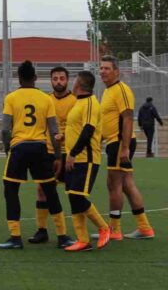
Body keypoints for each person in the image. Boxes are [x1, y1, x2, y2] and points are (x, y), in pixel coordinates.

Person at [0, 60, 71, 249]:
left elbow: (5, 130)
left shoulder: (11, 98)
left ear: (19, 78)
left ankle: (15, 237)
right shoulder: (46, 99)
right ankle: (62, 236)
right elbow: (54, 131)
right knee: (50, 190)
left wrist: (7, 148)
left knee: (11, 190)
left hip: (19, 148)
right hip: (40, 148)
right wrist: (57, 156)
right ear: (35, 78)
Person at [99, 55, 155, 239]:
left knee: (113, 184)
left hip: (119, 143)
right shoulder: (108, 91)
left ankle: (114, 230)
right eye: (101, 68)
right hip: (114, 142)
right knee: (127, 184)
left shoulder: (121, 90)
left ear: (117, 71)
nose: (102, 71)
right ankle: (145, 227)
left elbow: (128, 118)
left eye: (107, 68)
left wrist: (124, 148)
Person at [60, 70, 111, 252]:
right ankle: (83, 240)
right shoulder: (78, 103)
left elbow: (88, 130)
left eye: (74, 81)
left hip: (86, 158)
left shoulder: (90, 103)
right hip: (73, 157)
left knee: (78, 196)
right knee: (73, 198)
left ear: (79, 84)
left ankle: (104, 228)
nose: (72, 84)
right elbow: (76, 128)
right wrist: (63, 138)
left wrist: (73, 153)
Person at [28, 66, 77, 244]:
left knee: (74, 192)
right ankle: (42, 231)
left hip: (69, 153)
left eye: (62, 78)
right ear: (50, 80)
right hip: (48, 152)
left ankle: (77, 231)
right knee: (42, 191)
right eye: (55, 78)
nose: (58, 82)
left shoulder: (75, 101)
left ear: (67, 80)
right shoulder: (46, 100)